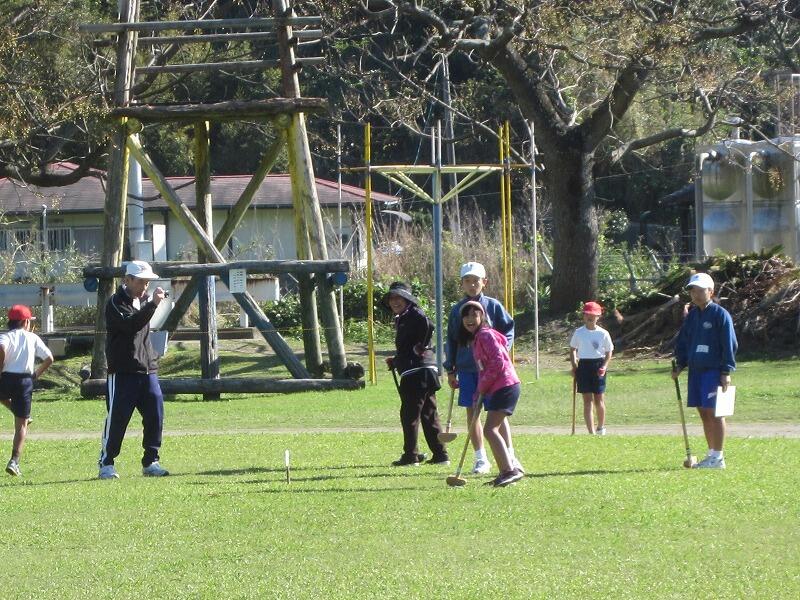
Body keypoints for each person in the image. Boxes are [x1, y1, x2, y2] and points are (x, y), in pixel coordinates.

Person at [443, 261, 518, 475]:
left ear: (484, 282)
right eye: (467, 280)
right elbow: (452, 340)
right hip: (467, 369)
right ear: (462, 284)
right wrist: (450, 369)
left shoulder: (493, 306)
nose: (472, 284)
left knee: (497, 414)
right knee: (473, 411)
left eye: (476, 280)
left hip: (493, 371)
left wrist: (502, 350)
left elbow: (508, 330)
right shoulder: (457, 310)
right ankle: (480, 458)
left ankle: (509, 455)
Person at [98, 260, 169, 479]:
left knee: (155, 415)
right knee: (117, 419)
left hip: (148, 370)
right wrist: (153, 305)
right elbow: (131, 325)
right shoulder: (115, 303)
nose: (145, 286)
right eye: (141, 281)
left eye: (147, 282)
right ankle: (107, 463)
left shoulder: (144, 301)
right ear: (127, 280)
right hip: (123, 372)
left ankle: (151, 461)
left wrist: (150, 303)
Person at [672, 272, 737, 469]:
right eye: (693, 291)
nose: (696, 294)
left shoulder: (720, 314)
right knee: (703, 413)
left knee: (715, 412)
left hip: (713, 370)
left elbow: (729, 344)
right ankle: (711, 454)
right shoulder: (692, 316)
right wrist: (680, 365)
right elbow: (684, 342)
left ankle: (718, 457)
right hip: (696, 371)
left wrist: (726, 371)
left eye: (701, 290)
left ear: (711, 291)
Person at [384, 282, 449, 467]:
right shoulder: (404, 317)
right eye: (392, 298)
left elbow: (428, 325)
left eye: (399, 298)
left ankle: (411, 456)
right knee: (429, 414)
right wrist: (397, 360)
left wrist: (421, 345)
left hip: (417, 373)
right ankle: (440, 455)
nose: (395, 301)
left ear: (407, 299)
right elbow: (408, 347)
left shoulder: (414, 314)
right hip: (424, 371)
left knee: (409, 415)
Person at [459, 301, 522, 487]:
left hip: (505, 385)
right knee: (490, 429)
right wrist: (477, 394)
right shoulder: (477, 339)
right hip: (499, 386)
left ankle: (509, 470)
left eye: (474, 314)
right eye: (466, 315)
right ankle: (506, 471)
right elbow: (483, 369)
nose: (470, 319)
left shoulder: (485, 335)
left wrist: (482, 386)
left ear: (483, 317)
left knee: (490, 430)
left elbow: (498, 362)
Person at [0, 305, 53, 477]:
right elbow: (49, 358)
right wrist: (36, 374)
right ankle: (14, 461)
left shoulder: (5, 336)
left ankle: (17, 411)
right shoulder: (32, 337)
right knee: (21, 425)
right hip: (25, 381)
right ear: (25, 322)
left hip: (6, 377)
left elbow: (2, 348)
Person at [569, 301, 614, 435]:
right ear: (584, 316)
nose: (590, 317)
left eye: (593, 315)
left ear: (598, 317)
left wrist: (604, 366)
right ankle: (591, 432)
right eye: (587, 314)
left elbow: (609, 352)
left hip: (598, 365)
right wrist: (574, 365)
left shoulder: (603, 333)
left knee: (599, 398)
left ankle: (601, 427)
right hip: (584, 365)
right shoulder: (579, 332)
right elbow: (573, 349)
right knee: (587, 400)